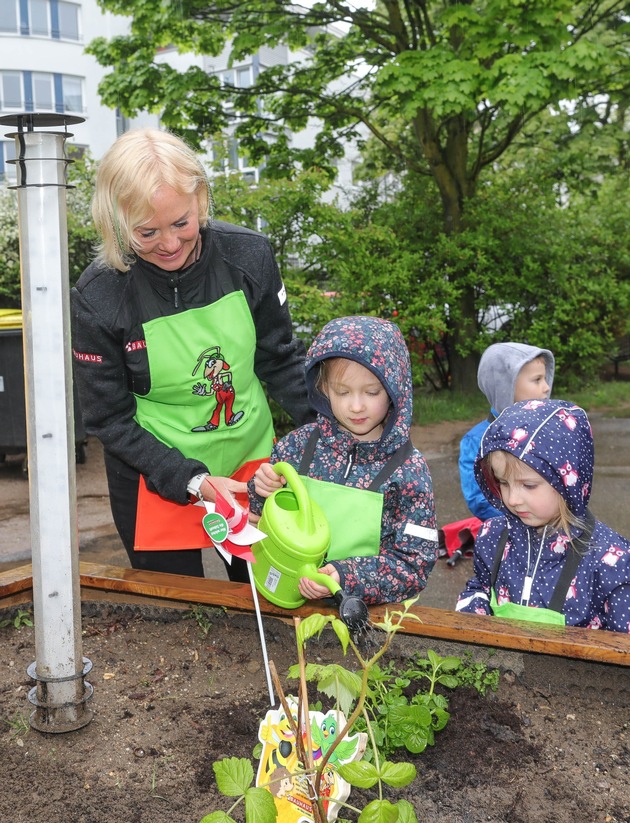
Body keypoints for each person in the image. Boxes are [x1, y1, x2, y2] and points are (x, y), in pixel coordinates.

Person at [71, 128, 314, 582]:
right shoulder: (99, 296)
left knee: (269, 598)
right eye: (147, 232)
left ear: (200, 199)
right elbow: (109, 419)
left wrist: (335, 435)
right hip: (154, 473)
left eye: (181, 223)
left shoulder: (249, 256)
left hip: (252, 463)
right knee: (177, 613)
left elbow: (281, 360)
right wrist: (193, 480)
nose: (168, 244)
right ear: (116, 223)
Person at [248, 315, 439, 606]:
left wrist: (345, 576)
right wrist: (260, 491)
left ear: (394, 390)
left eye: (372, 392)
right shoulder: (297, 448)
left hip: (366, 622)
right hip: (288, 605)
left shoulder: (408, 471)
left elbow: (414, 566)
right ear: (322, 388)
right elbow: (262, 521)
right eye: (343, 392)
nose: (356, 406)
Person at [456, 399, 630, 631]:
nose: (512, 499)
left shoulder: (610, 560)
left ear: (567, 481)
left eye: (528, 485)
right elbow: (480, 587)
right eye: (503, 483)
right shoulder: (493, 536)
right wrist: (472, 618)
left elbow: (622, 647)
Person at [459, 342, 555, 521]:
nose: (546, 387)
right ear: (505, 386)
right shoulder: (477, 440)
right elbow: (478, 499)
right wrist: (520, 518)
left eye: (545, 379)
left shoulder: (548, 430)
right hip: (508, 535)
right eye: (537, 380)